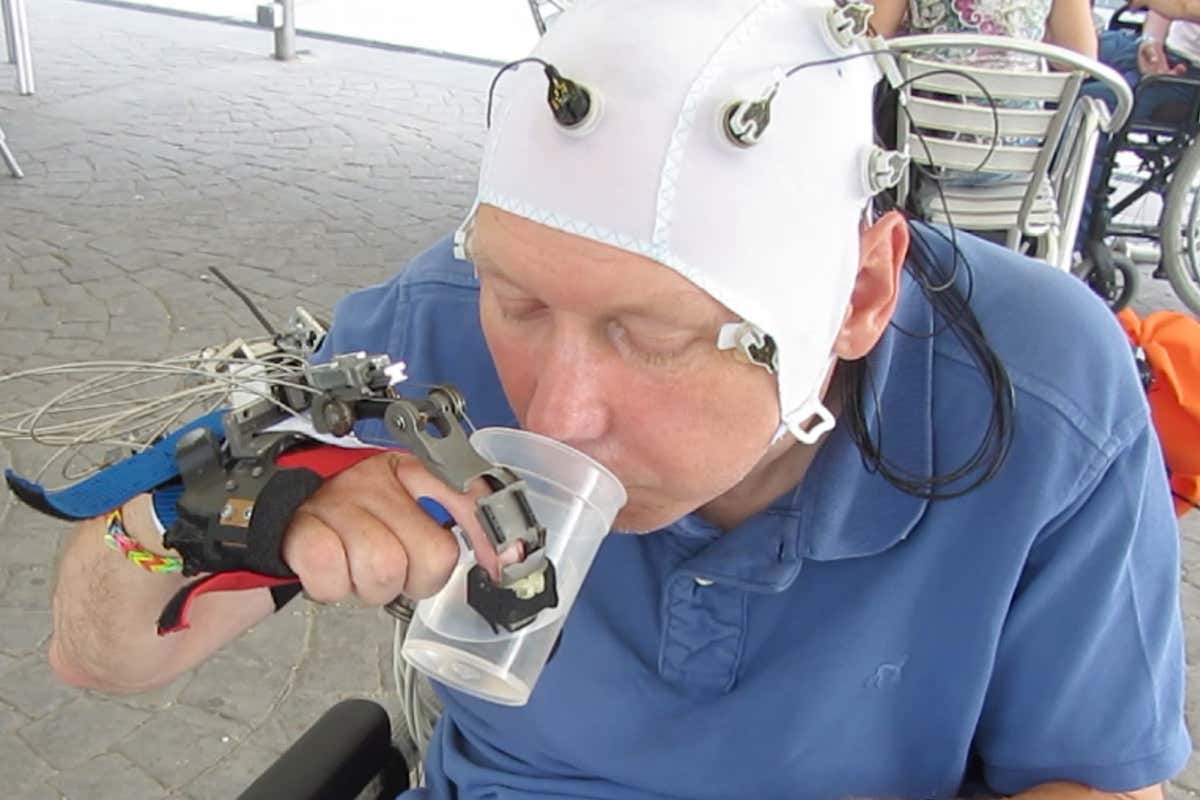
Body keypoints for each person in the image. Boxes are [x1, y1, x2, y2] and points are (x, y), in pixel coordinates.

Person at [43, 1, 1189, 798]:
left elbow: (1105, 776)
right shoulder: (428, 328)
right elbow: (101, 654)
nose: (557, 408)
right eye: (521, 304)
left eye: (651, 336)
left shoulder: (1040, 388)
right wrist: (222, 521)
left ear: (861, 294)